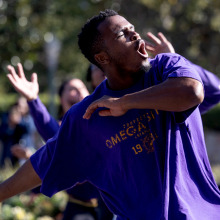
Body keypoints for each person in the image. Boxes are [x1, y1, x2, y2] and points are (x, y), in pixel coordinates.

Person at [1, 9, 220, 220]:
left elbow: (192, 92)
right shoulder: (87, 115)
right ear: (103, 58)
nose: (134, 34)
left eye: (132, 28)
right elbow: (45, 162)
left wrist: (125, 103)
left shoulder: (167, 67)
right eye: (122, 34)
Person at [7, 64, 113, 220]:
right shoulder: (60, 129)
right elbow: (54, 134)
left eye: (80, 88)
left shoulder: (106, 117)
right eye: (71, 89)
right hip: (79, 207)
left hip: (111, 206)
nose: (77, 92)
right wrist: (33, 101)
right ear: (62, 99)